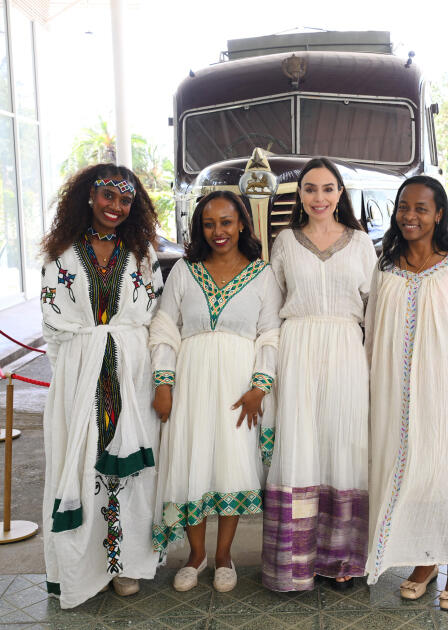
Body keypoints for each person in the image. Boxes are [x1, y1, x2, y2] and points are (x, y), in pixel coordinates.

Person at [364, 176, 448, 610]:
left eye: (421, 208)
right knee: (402, 475)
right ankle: (425, 562)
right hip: (391, 390)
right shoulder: (385, 263)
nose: (410, 216)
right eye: (403, 207)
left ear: (439, 214)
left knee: (440, 477)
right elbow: (372, 330)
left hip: (444, 390)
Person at [39, 163, 164, 608]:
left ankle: (125, 564)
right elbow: (53, 328)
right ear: (90, 196)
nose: (116, 206)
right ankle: (85, 568)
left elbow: (154, 318)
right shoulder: (62, 255)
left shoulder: (142, 255)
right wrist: (74, 375)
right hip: (80, 373)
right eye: (108, 195)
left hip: (133, 373)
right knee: (82, 464)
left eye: (125, 199)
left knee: (132, 471)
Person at [149, 191, 282, 593]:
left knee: (230, 464)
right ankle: (196, 556)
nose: (218, 231)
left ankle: (224, 556)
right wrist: (163, 383)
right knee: (191, 462)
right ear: (199, 228)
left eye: (226, 222)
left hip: (238, 388)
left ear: (241, 223)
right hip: (190, 382)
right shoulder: (185, 271)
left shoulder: (262, 274)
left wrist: (260, 386)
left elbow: (270, 333)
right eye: (209, 224)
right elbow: (164, 328)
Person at [261, 158, 377, 592]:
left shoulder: (361, 243)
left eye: (328, 188)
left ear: (340, 193)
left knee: (345, 444)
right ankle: (297, 562)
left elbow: (374, 308)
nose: (319, 197)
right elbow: (271, 305)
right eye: (310, 189)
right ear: (300, 195)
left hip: (346, 348)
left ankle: (342, 558)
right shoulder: (285, 242)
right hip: (298, 347)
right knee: (300, 446)